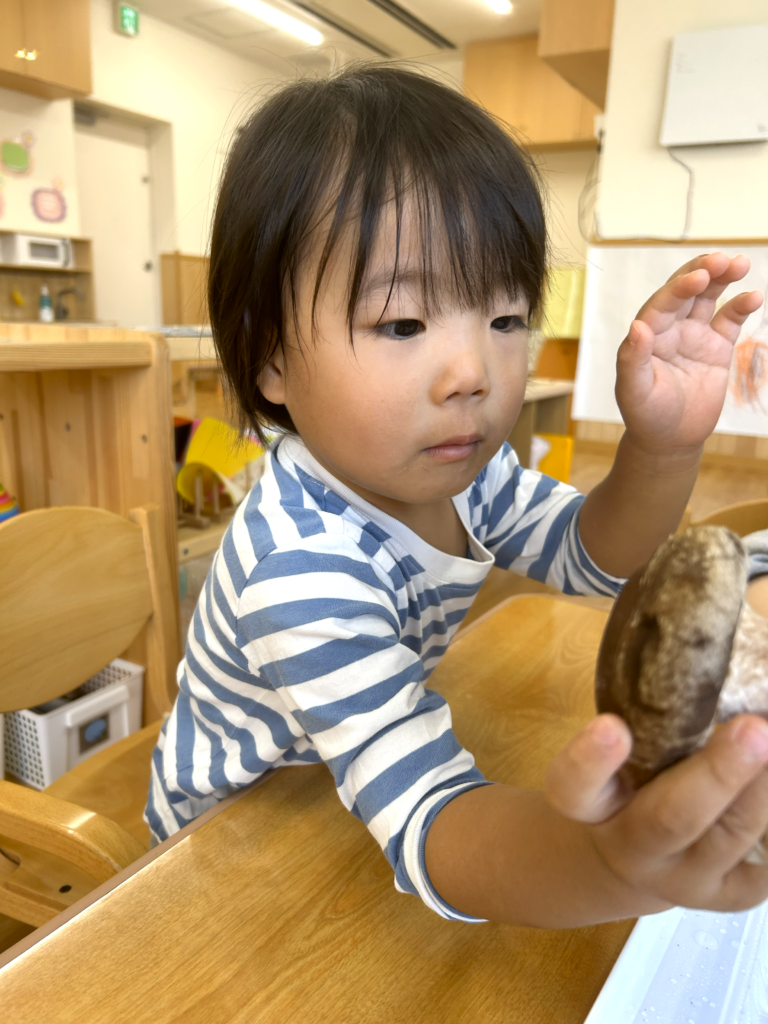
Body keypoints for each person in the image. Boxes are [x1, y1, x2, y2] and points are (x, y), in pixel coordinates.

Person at [146, 64, 768, 927]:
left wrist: (662, 446)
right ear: (271, 359)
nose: (473, 373)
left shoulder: (462, 470)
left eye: (506, 318)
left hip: (346, 787)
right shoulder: (300, 568)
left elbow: (594, 557)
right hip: (230, 847)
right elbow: (433, 815)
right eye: (403, 324)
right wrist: (600, 860)